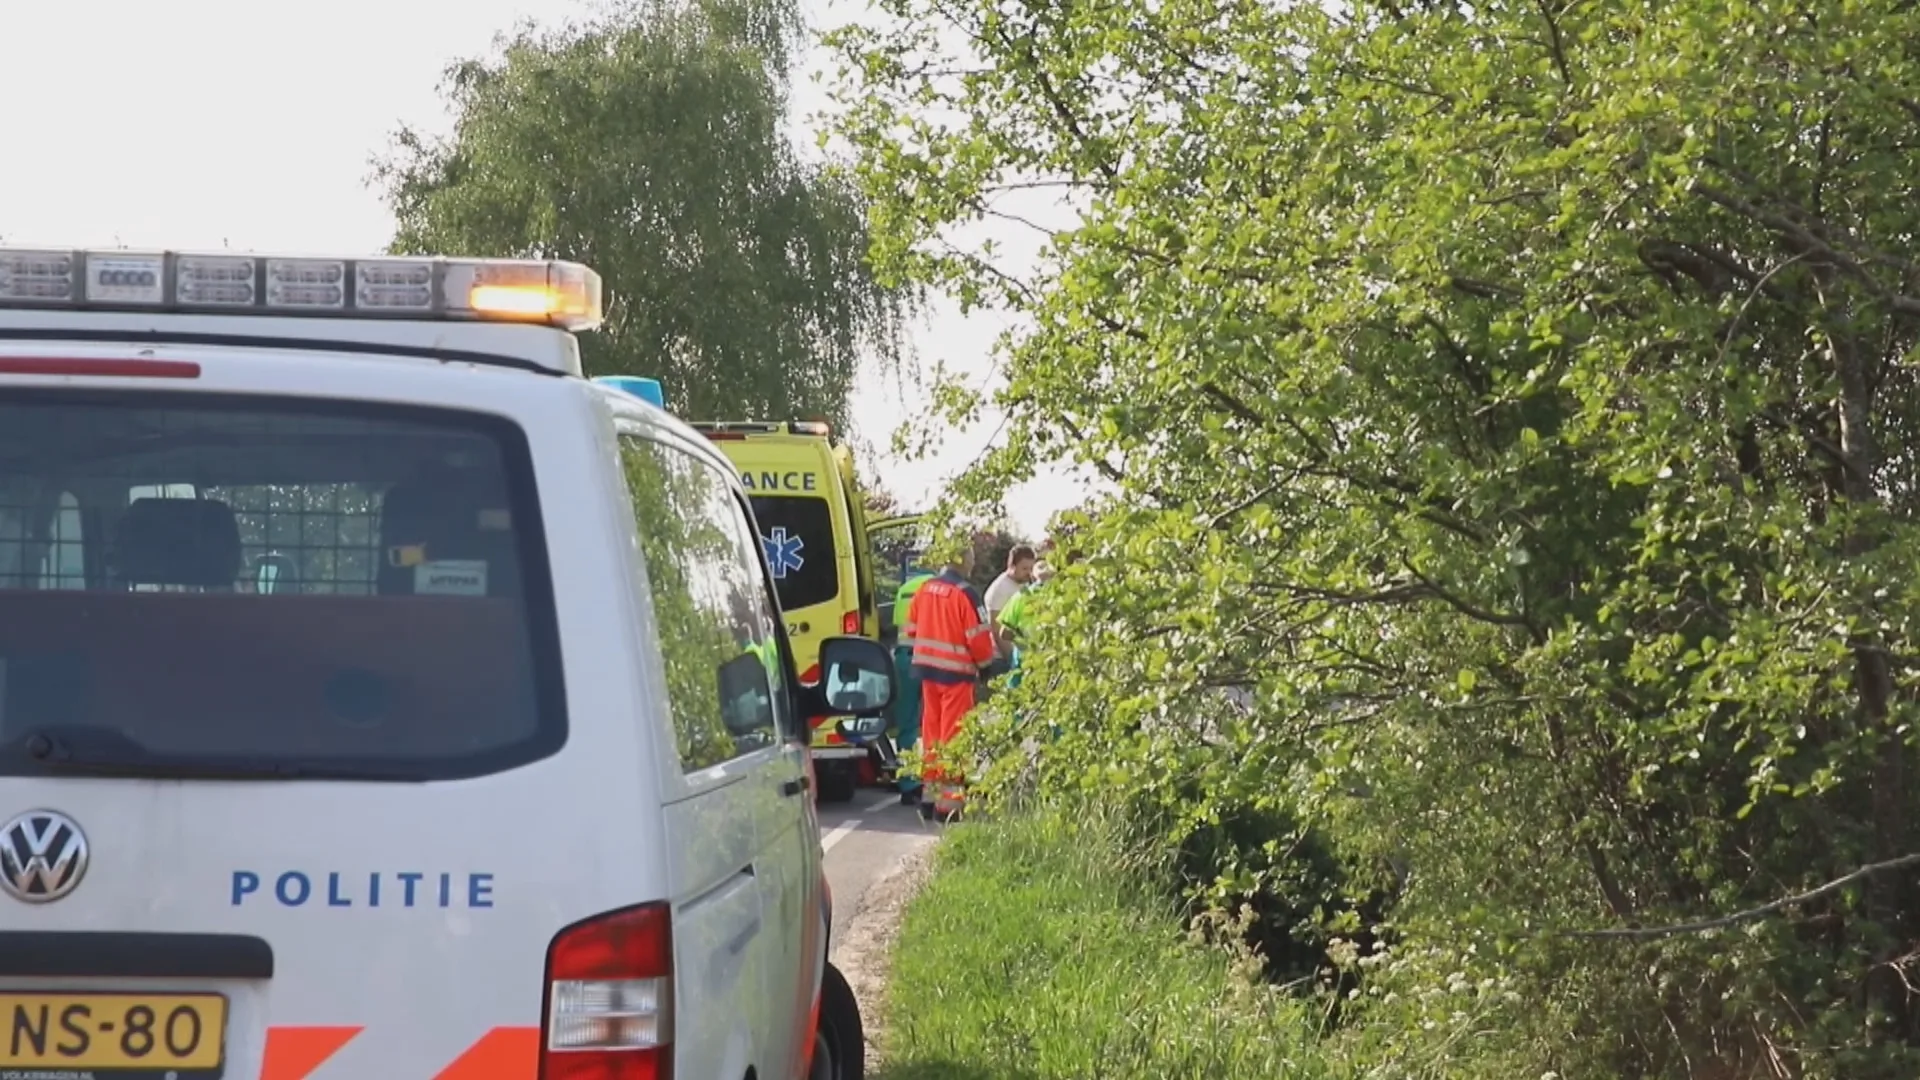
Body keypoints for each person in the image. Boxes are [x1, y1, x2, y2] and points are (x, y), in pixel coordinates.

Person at [902, 538, 996, 820]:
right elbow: (978, 639)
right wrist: (987, 666)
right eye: (972, 559)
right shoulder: (966, 593)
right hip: (956, 674)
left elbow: (910, 631)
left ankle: (929, 798)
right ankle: (950, 805)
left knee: (931, 734)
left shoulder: (924, 589)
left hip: (927, 672)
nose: (974, 564)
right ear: (963, 561)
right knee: (954, 736)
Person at [889, 565, 935, 804]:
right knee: (932, 724)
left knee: (906, 726)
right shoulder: (939, 589)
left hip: (905, 660)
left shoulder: (905, 590)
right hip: (931, 659)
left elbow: (899, 625)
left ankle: (908, 786)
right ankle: (931, 781)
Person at [983, 544, 1037, 654]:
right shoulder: (999, 590)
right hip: (1002, 656)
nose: (1029, 573)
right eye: (1024, 568)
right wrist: (1010, 660)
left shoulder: (1025, 583)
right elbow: (997, 631)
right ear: (1012, 566)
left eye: (1031, 568)